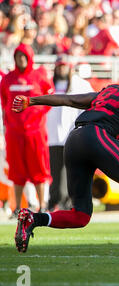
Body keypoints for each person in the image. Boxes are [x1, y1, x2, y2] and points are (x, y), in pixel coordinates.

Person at [12, 62, 119, 254]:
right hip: (98, 136)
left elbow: (69, 100)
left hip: (74, 140)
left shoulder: (110, 91)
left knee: (80, 215)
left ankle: (33, 219)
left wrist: (32, 101)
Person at [0, 43, 54, 218]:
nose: (21, 60)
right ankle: (17, 207)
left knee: (39, 168)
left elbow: (49, 97)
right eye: (18, 56)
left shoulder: (39, 76)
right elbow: (4, 101)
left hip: (35, 132)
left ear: (30, 58)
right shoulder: (8, 79)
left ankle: (43, 204)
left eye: (24, 56)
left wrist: (38, 115)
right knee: (16, 170)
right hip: (14, 133)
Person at [47, 55, 93, 211]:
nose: (61, 69)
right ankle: (54, 201)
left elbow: (91, 104)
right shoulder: (49, 84)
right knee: (54, 171)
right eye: (59, 66)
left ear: (70, 67)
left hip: (72, 135)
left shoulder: (80, 84)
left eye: (64, 66)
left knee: (70, 171)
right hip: (53, 135)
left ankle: (69, 201)